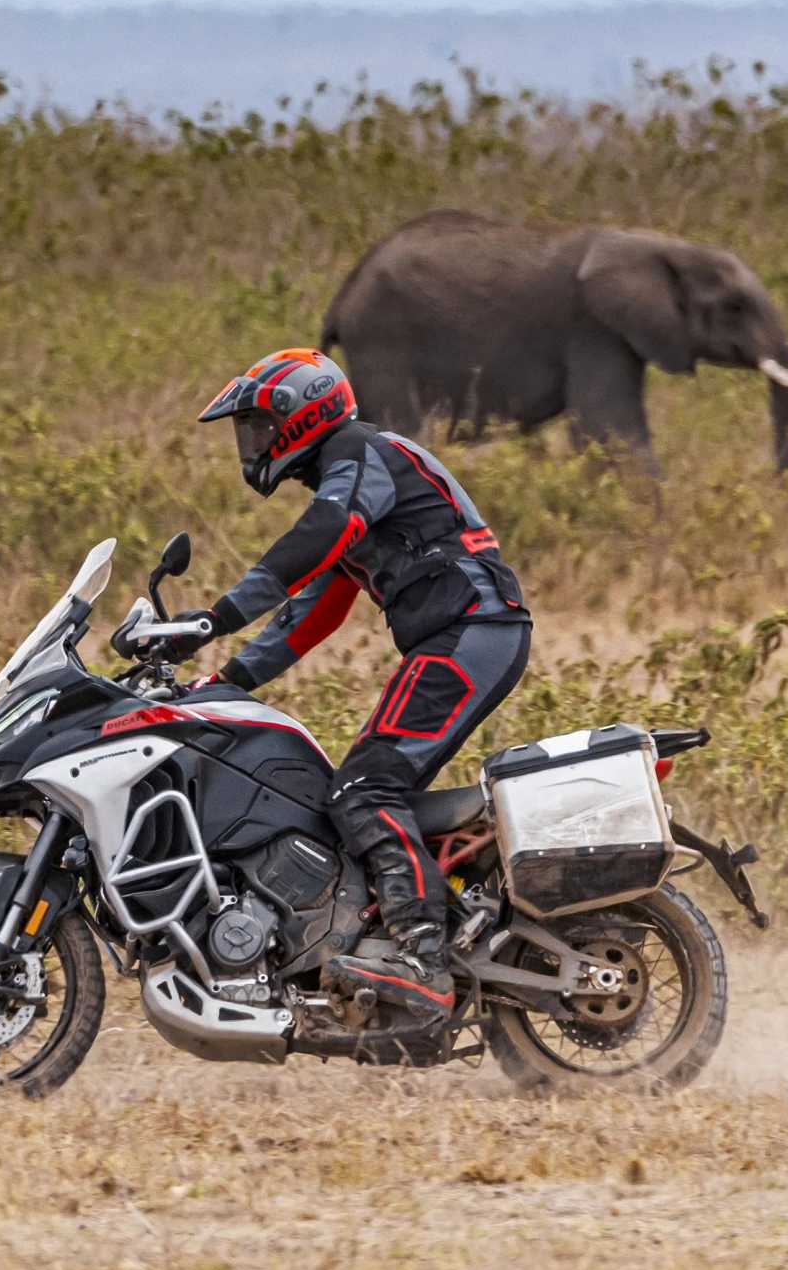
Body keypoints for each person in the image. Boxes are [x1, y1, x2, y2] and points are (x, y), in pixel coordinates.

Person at [164, 348, 531, 1021]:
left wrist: (213, 619)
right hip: (461, 634)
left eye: (260, 424)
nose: (253, 443)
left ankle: (423, 962)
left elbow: (318, 537)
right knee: (357, 787)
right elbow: (312, 613)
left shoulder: (359, 455)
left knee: (365, 788)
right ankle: (402, 927)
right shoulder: (353, 480)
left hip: (475, 630)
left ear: (304, 415)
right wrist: (222, 683)